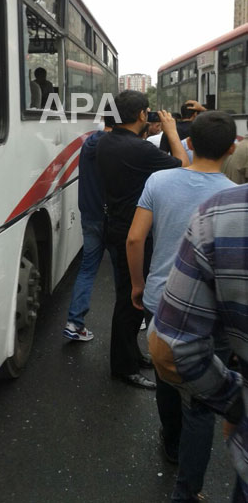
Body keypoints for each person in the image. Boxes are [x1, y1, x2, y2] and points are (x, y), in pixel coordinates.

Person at [127, 111, 236, 501]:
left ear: (189, 143)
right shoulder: (231, 194)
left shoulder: (158, 181)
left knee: (167, 377)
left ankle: (170, 442)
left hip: (162, 299)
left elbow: (136, 239)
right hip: (213, 311)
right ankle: (189, 485)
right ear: (231, 148)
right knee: (203, 399)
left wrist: (138, 286)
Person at [148, 183, 248, 503]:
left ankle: (183, 479)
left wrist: (235, 402)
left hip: (184, 299)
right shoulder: (226, 189)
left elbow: (171, 349)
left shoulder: (223, 211)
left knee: (191, 397)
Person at [96, 90, 189, 389]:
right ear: (140, 115)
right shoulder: (138, 150)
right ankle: (123, 367)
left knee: (128, 297)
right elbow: (184, 167)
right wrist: (172, 131)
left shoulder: (107, 141)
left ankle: (132, 356)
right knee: (129, 300)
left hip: (116, 224)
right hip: (132, 230)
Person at [63, 116, 117, 341]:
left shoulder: (88, 144)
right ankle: (136, 317)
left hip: (90, 215)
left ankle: (74, 323)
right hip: (112, 217)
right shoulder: (116, 147)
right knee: (122, 271)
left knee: (87, 269)